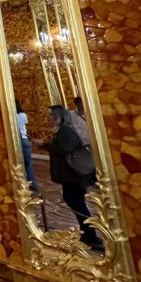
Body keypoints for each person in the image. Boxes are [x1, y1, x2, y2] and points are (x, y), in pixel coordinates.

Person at [44, 104, 101, 250]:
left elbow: (65, 149)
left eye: (51, 115)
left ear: (59, 115)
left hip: (73, 174)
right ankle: (87, 233)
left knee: (76, 202)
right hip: (69, 174)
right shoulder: (61, 130)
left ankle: (90, 235)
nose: (48, 118)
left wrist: (44, 145)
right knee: (74, 201)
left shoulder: (66, 130)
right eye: (48, 115)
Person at [15, 100, 39, 191]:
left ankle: (21, 185)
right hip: (25, 139)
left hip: (18, 139)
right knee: (28, 164)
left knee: (18, 164)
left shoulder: (12, 115)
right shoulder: (23, 115)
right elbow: (25, 124)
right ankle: (33, 184)